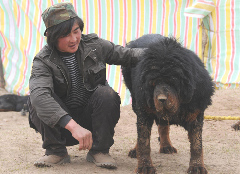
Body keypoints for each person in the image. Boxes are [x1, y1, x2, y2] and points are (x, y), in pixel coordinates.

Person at [28, 2, 143, 169]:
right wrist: (73, 126)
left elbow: (128, 55)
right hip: (62, 127)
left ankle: (100, 150)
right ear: (53, 37)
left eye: (76, 31)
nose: (74, 39)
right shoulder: (43, 60)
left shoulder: (94, 46)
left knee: (106, 94)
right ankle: (56, 151)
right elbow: (40, 96)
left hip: (92, 123)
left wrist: (162, 53)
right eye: (66, 35)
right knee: (36, 99)